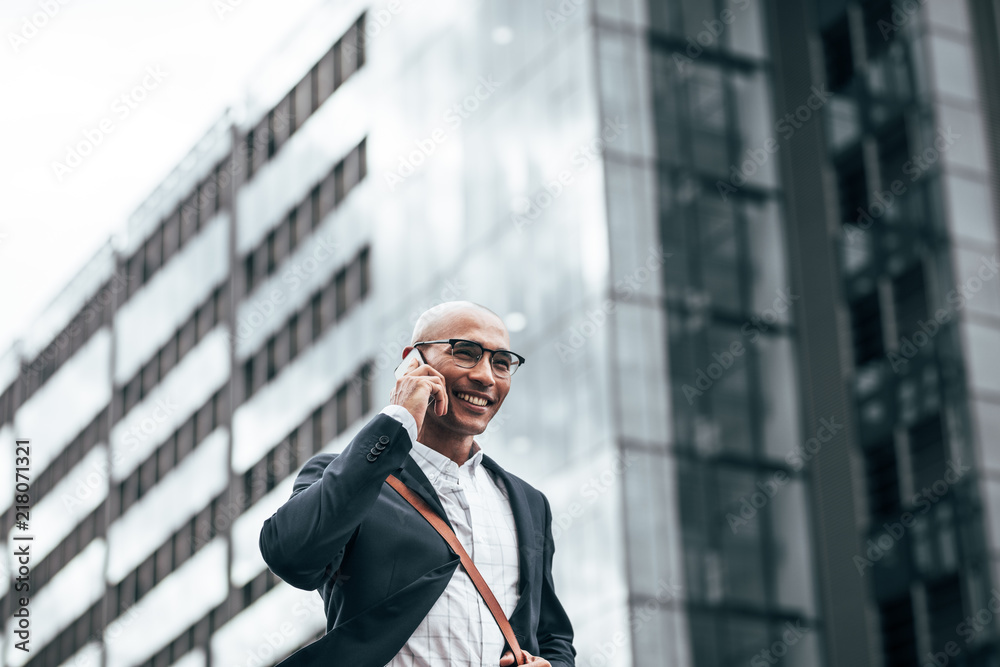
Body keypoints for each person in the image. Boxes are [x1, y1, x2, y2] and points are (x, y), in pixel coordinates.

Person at [259, 301, 576, 666]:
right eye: (466, 353)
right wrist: (397, 418)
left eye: (501, 362)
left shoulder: (527, 501)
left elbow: (551, 636)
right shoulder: (353, 476)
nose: (486, 376)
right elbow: (291, 556)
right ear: (414, 361)